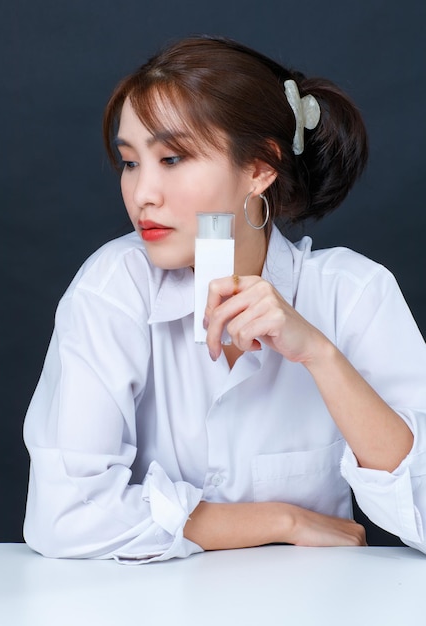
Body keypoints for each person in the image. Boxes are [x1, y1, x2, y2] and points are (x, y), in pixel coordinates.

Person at [23, 36, 426, 564]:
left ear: (260, 168)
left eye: (171, 158)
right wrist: (282, 521)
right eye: (129, 163)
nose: (142, 192)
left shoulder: (353, 293)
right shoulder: (114, 287)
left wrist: (320, 356)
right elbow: (63, 515)